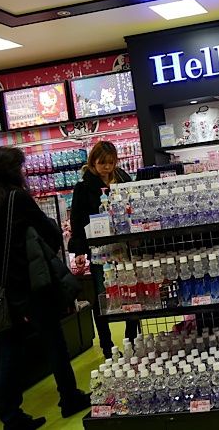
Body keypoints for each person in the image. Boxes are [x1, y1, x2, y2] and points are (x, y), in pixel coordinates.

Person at [0, 147, 90, 430]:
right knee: (54, 341)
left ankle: (11, 416)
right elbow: (50, 233)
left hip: (0, 286)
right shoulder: (16, 198)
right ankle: (69, 397)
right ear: (9, 171)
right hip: (30, 283)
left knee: (10, 350)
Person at [69, 141, 138, 357]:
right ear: (93, 162)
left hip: (124, 247)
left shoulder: (123, 178)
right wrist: (79, 251)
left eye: (110, 162)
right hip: (99, 250)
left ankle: (132, 340)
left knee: (131, 293)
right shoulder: (83, 187)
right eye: (102, 163)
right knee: (102, 296)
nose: (107, 167)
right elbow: (77, 220)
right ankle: (106, 345)